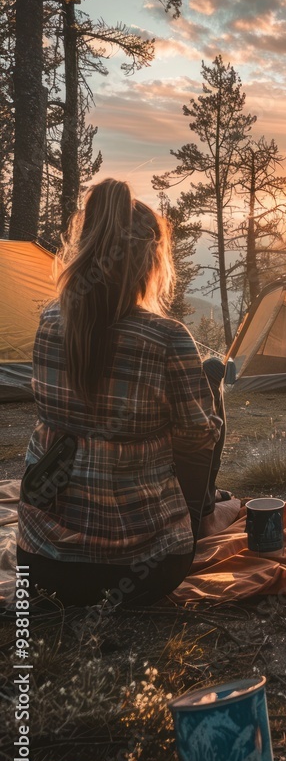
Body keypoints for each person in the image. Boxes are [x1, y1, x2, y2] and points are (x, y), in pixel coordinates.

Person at [17, 178, 224, 607]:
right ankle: (202, 515)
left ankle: (203, 510)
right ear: (150, 261)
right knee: (209, 393)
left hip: (42, 562)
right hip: (146, 568)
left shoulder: (49, 322)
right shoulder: (167, 338)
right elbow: (197, 443)